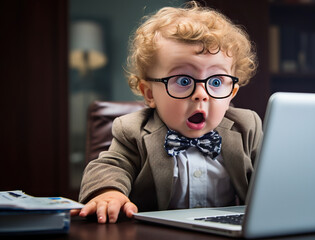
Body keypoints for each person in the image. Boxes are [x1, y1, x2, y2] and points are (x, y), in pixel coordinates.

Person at [72, 1, 263, 223]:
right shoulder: (133, 130)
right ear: (149, 93)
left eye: (216, 81)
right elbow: (110, 166)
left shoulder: (247, 127)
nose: (201, 94)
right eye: (183, 80)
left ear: (232, 92)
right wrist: (107, 193)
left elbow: (271, 178)